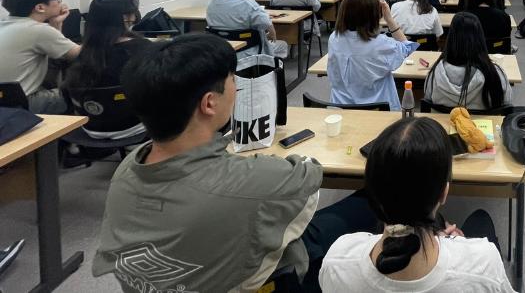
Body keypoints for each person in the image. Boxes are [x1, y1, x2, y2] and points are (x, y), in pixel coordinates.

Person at [93, 34, 376, 292]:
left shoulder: (128, 167)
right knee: (368, 201)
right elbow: (309, 173)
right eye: (232, 78)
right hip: (270, 280)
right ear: (209, 103)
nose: (237, 86)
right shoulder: (252, 180)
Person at [319, 116, 512, 292]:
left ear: (373, 190)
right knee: (481, 219)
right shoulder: (484, 267)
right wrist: (451, 243)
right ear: (444, 193)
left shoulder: (337, 261)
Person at [63, 0, 151, 138]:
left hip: (90, 127)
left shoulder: (83, 52)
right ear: (125, 17)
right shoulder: (143, 48)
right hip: (132, 126)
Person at [327, 0, 419, 110]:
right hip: (378, 112)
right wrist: (389, 19)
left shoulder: (334, 38)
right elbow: (407, 47)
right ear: (374, 14)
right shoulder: (381, 44)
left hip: (341, 110)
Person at [0, 0, 81, 113]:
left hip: (4, 99)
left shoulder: (4, 24)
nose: (60, 2)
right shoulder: (38, 30)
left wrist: (56, 24)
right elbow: (80, 54)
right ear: (40, 7)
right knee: (83, 93)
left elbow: (56, 48)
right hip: (21, 104)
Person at [423, 12, 512, 111]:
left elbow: (427, 100)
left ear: (451, 38)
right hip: (483, 122)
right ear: (480, 38)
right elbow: (506, 105)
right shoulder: (495, 74)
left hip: (443, 122)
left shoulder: (435, 74)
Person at [206, 0, 288, 58]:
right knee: (282, 45)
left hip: (222, 52)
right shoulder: (246, 2)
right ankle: (269, 66)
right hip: (248, 52)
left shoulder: (211, 5)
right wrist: (272, 33)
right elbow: (266, 22)